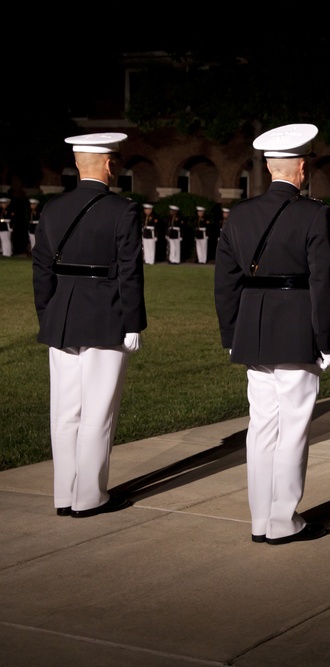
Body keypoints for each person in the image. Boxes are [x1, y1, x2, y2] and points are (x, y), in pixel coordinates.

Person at [214, 123, 330, 545]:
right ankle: (283, 520)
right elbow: (322, 284)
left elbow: (225, 282)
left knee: (262, 426)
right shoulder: (314, 213)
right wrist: (325, 341)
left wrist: (231, 332)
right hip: (296, 328)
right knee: (293, 427)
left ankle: (259, 519)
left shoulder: (241, 215)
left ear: (270, 168)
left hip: (253, 328)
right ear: (301, 168)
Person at [31, 132, 146, 517]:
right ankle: (90, 497)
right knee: (98, 413)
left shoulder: (53, 208)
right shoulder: (123, 210)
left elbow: (41, 269)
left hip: (61, 316)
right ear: (110, 164)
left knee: (65, 413)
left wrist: (47, 313)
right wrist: (134, 323)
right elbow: (129, 273)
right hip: (105, 314)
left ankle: (65, 495)